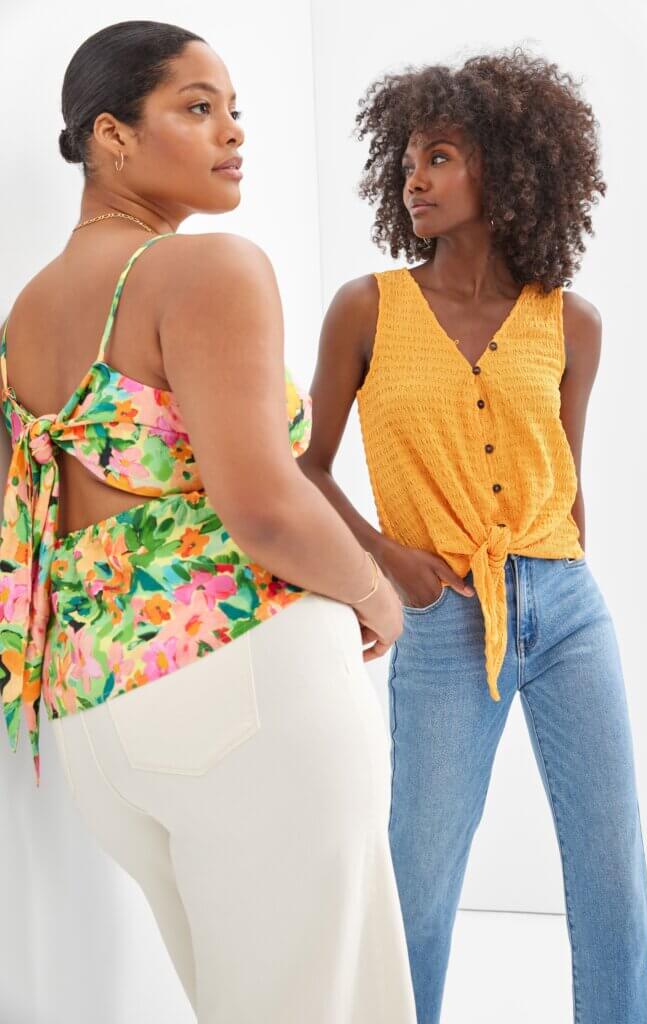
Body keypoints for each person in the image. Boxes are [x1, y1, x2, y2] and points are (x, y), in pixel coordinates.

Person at [0, 20, 419, 1024]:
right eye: (196, 108)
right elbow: (266, 505)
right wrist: (374, 595)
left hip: (100, 714)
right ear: (110, 136)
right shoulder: (207, 270)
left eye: (235, 110)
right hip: (244, 682)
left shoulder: (28, 310)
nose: (231, 132)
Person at [297, 49, 647, 1024]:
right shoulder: (367, 308)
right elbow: (305, 465)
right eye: (407, 159)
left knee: (611, 873)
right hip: (443, 618)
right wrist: (384, 553)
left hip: (566, 609)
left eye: (440, 156)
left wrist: (562, 571)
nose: (414, 178)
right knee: (417, 879)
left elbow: (569, 486)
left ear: (503, 165)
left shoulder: (569, 322)